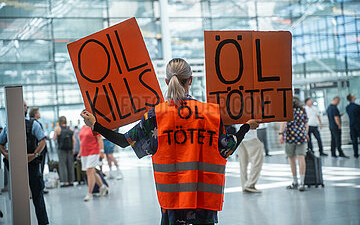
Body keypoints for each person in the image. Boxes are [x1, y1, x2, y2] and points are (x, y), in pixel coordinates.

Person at [81, 58, 260, 225]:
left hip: (172, 198)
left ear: (167, 82)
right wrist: (245, 127)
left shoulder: (155, 116)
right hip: (203, 198)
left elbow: (123, 141)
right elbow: (227, 148)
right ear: (191, 80)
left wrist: (95, 125)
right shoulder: (210, 113)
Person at [0, 101, 49, 225]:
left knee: (37, 194)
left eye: (26, 105)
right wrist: (6, 155)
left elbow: (43, 141)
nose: (26, 107)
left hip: (31, 164)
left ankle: (43, 222)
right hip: (15, 166)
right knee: (19, 197)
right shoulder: (8, 127)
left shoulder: (33, 125)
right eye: (24, 105)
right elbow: (0, 143)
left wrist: (34, 155)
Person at [279, 97, 308, 192]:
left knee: (291, 159)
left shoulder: (287, 110)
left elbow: (284, 122)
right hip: (301, 137)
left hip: (290, 137)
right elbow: (306, 123)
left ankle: (295, 182)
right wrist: (306, 133)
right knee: (301, 158)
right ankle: (302, 183)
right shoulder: (302, 109)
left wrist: (280, 134)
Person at [78, 125, 108, 201]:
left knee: (89, 171)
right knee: (92, 172)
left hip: (94, 152)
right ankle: (102, 187)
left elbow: (99, 139)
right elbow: (82, 141)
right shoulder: (82, 127)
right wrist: (80, 152)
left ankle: (89, 193)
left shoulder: (94, 127)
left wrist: (101, 151)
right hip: (85, 153)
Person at [29, 107, 49, 194]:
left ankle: (40, 186)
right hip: (39, 150)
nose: (39, 114)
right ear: (35, 114)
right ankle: (40, 187)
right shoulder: (35, 124)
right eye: (38, 112)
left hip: (37, 150)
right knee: (39, 168)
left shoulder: (34, 123)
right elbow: (41, 139)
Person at [238, 128, 264, 193]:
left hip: (239, 136)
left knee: (243, 162)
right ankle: (250, 185)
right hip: (250, 136)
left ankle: (244, 185)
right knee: (257, 159)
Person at [53, 116, 75, 187]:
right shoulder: (70, 129)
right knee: (70, 165)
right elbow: (73, 140)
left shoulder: (57, 128)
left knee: (63, 165)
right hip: (70, 149)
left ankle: (65, 182)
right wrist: (73, 149)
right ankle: (71, 181)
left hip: (61, 149)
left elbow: (54, 139)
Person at [346, 94, 360, 158]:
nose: (355, 97)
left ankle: (356, 154)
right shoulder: (357, 106)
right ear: (351, 98)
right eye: (353, 96)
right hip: (358, 125)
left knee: (354, 140)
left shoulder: (347, 107)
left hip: (352, 125)